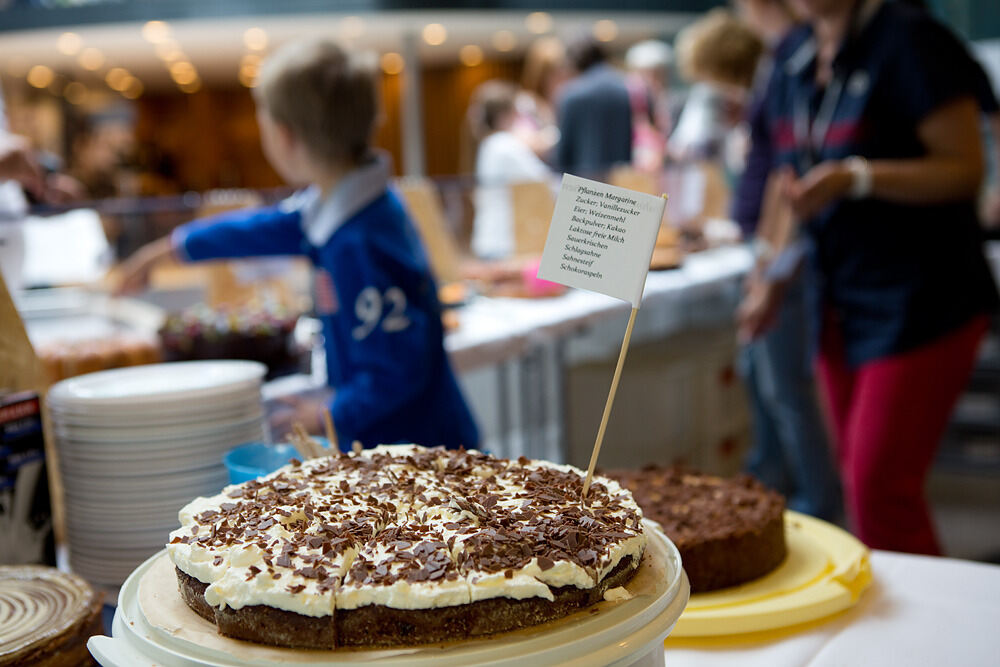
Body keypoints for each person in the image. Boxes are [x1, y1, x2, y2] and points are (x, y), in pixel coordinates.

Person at [118, 40, 479, 451]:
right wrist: (169, 250)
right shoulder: (342, 206)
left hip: (423, 452)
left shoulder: (359, 241)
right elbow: (261, 228)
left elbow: (396, 372)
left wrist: (323, 416)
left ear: (285, 137)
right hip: (400, 442)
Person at [739, 0, 999, 554]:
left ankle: (927, 635)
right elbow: (784, 185)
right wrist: (769, 276)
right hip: (838, 298)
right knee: (858, 483)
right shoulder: (795, 54)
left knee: (880, 488)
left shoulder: (908, 40)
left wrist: (856, 178)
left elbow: (963, 169)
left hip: (922, 297)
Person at [733, 0, 843, 521]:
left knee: (787, 389)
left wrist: (767, 268)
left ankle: (814, 508)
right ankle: (779, 498)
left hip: (787, 253)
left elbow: (788, 177)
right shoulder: (786, 56)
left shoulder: (794, 55)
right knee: (767, 381)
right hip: (774, 250)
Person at [468, 80, 552, 260]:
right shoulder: (505, 145)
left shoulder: (489, 144)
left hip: (488, 238)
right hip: (503, 243)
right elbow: (545, 183)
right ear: (505, 114)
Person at [555, 35, 632, 177]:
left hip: (584, 186)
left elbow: (563, 154)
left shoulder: (572, 92)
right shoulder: (622, 87)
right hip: (617, 181)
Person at [624, 40, 674, 172]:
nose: (653, 79)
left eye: (658, 74)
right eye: (648, 73)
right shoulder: (631, 95)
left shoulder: (665, 98)